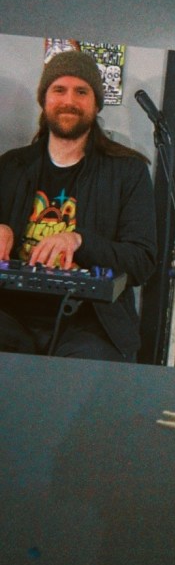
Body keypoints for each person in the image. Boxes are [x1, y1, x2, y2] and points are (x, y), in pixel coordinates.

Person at [0, 49, 157, 361]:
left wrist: (79, 241)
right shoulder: (9, 166)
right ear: (44, 100)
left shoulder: (129, 171)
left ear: (96, 103)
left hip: (92, 322)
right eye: (59, 90)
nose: (69, 101)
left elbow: (142, 261)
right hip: (11, 313)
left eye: (81, 92)